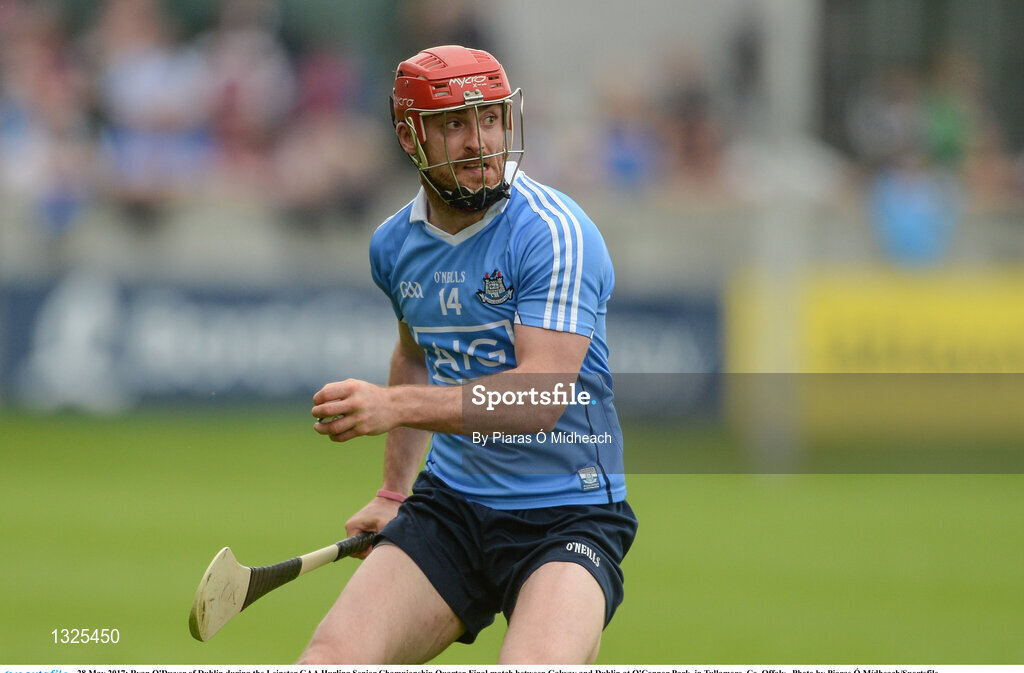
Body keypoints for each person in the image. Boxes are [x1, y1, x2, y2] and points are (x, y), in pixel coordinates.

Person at [298, 45, 636, 665]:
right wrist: (394, 493)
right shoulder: (394, 245)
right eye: (454, 124)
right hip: (449, 507)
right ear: (410, 136)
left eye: (490, 119)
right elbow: (416, 353)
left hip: (567, 515)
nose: (480, 141)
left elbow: (538, 397)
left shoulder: (555, 233)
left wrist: (394, 407)